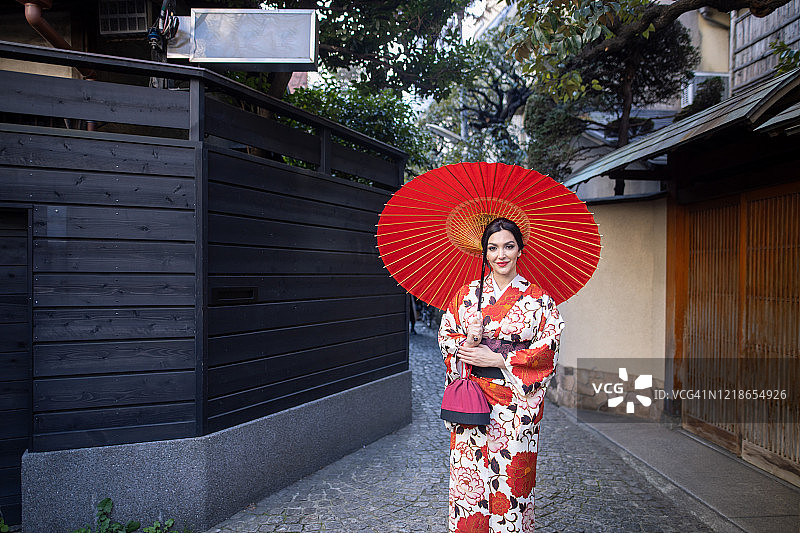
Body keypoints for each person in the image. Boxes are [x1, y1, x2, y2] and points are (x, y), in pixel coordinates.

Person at [438, 217, 565, 533]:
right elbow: (445, 337)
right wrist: (468, 341)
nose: (501, 255)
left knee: (511, 481)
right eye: (492, 248)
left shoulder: (538, 300)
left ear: (520, 250)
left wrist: (498, 357)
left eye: (509, 246)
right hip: (473, 401)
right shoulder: (467, 296)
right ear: (484, 253)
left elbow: (548, 347)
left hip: (516, 405)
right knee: (470, 481)